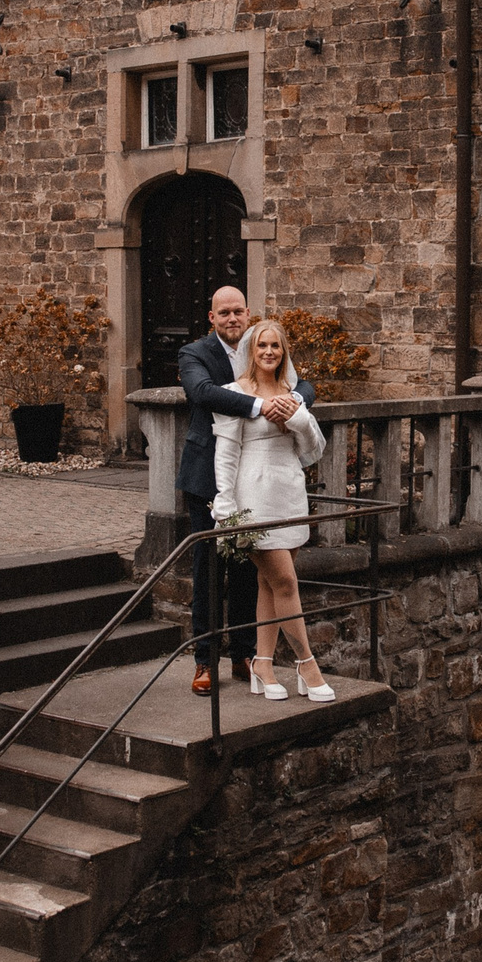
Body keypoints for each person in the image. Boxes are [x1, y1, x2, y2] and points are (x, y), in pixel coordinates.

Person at [177, 286, 312, 695]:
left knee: (249, 574)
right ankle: (204, 659)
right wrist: (258, 406)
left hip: (255, 486)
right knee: (208, 570)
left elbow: (303, 383)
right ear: (212, 317)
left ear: (248, 314)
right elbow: (201, 393)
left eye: (238, 311)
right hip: (208, 479)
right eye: (224, 313)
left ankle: (244, 653)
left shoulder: (260, 345)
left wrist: (292, 400)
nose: (232, 318)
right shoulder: (195, 354)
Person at [212, 319, 333, 702]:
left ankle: (262, 663)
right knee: (286, 582)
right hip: (253, 495)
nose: (268, 352)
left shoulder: (292, 393)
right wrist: (226, 508)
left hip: (289, 491)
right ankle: (307, 664)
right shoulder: (235, 394)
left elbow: (314, 449)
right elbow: (226, 456)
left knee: (269, 585)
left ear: (283, 352)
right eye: (262, 345)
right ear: (252, 350)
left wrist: (296, 416)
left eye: (276, 347)